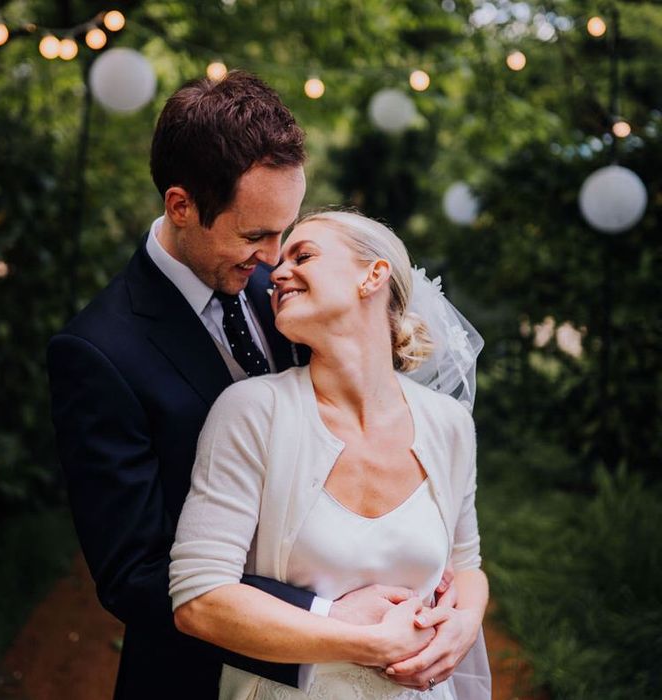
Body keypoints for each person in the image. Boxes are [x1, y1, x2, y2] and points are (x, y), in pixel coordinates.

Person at [47, 72, 443, 700]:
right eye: (255, 234)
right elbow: (134, 573)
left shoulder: (289, 293)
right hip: (199, 674)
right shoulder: (97, 351)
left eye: (286, 231)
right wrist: (325, 619)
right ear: (181, 207)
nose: (276, 258)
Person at [169, 210, 492, 699]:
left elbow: (466, 565)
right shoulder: (253, 411)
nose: (276, 272)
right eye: (280, 262)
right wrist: (368, 643)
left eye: (304, 255)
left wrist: (465, 624)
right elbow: (200, 599)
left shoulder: (449, 425)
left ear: (373, 275)